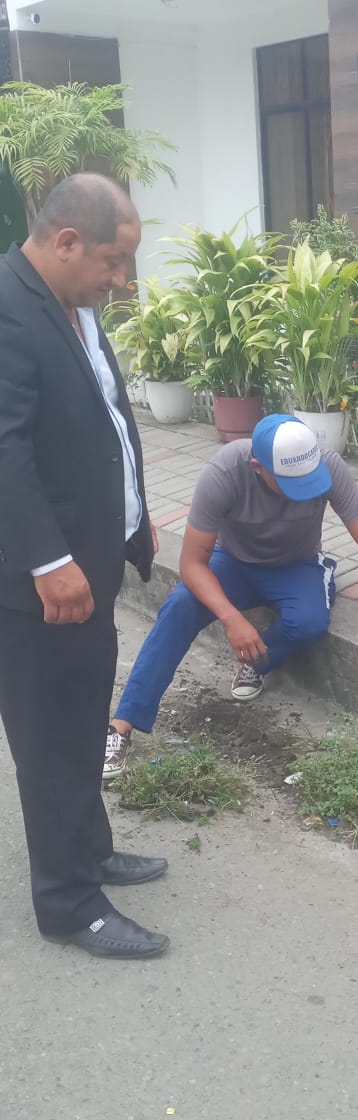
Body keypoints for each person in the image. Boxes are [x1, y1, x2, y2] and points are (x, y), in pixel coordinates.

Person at [0, 174, 171, 959]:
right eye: (112, 260)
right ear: (66, 242)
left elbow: (105, 415)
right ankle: (68, 903)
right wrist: (47, 558)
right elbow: (5, 450)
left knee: (82, 719)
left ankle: (90, 850)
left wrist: (133, 515)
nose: (121, 279)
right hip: (42, 584)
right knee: (52, 742)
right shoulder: (9, 308)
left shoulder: (74, 304)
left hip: (90, 563)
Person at [104, 414, 358, 777]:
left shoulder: (327, 463)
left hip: (297, 564)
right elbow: (192, 564)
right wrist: (232, 620)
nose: (304, 489)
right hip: (232, 562)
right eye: (292, 483)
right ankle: (122, 724)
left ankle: (256, 663)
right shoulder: (225, 472)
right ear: (258, 467)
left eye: (309, 480)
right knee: (179, 605)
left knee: (310, 621)